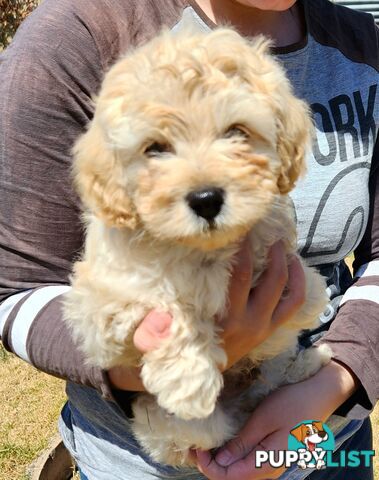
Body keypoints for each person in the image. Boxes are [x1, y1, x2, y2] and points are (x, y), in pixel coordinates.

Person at [0, 0, 378, 479]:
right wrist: (160, 359)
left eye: (236, 133)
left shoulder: (364, 45)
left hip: (328, 446)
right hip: (144, 466)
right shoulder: (75, 35)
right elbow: (15, 290)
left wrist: (331, 383)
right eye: (158, 147)